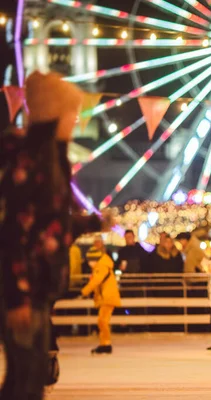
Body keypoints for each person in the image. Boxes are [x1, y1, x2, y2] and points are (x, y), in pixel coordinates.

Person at [0, 71, 83, 400]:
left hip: (38, 288)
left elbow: (48, 225)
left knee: (28, 379)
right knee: (26, 381)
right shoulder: (33, 160)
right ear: (56, 114)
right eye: (72, 113)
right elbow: (14, 230)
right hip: (25, 288)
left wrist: (91, 225)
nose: (76, 120)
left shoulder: (51, 157)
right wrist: (18, 295)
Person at [81, 237, 122, 354]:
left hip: (108, 297)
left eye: (90, 261)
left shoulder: (102, 266)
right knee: (102, 321)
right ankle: (104, 343)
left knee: (102, 321)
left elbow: (96, 281)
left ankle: (106, 344)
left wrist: (84, 291)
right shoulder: (102, 264)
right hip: (106, 297)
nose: (89, 264)